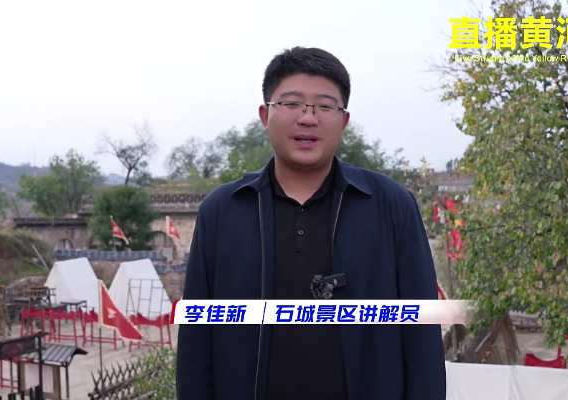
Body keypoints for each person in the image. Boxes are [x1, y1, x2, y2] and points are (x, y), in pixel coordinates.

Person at [176, 46, 446, 400]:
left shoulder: (391, 206)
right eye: (291, 103)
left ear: (344, 121)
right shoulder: (222, 211)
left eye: (324, 106)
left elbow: (423, 343)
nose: (308, 118)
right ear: (265, 115)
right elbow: (196, 348)